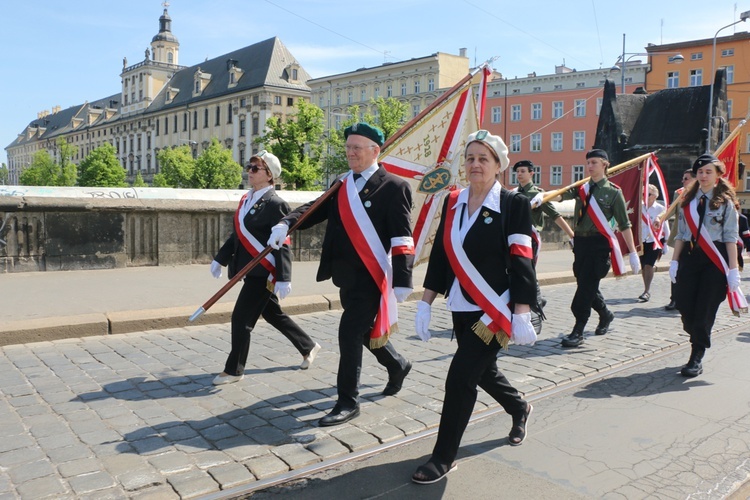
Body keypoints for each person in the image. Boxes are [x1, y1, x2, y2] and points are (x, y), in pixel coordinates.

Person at [267, 122, 414, 427]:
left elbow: (402, 238)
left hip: (372, 277)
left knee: (348, 333)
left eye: (356, 148)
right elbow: (315, 208)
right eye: (347, 147)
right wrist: (286, 223)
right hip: (345, 275)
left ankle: (348, 401)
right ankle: (397, 364)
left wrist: (403, 279)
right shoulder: (343, 183)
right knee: (361, 333)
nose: (350, 153)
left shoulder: (394, 186)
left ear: (375, 151)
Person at [411, 130, 537, 485]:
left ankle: (442, 458)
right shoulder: (452, 201)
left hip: (496, 310)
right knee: (482, 372)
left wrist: (523, 310)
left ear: (499, 166)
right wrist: (426, 302)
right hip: (462, 306)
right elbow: (441, 256)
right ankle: (519, 407)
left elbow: (522, 258)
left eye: (484, 158)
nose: (475, 164)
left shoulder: (513, 204)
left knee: (461, 378)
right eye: (470, 158)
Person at [210, 151, 321, 385]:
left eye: (255, 168)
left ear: (270, 175)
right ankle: (307, 345)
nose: (249, 171)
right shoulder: (246, 199)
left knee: (241, 318)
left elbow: (283, 242)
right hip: (249, 268)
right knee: (272, 313)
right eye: (249, 167)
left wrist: (283, 276)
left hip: (264, 271)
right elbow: (238, 235)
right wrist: (221, 258)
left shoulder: (275, 203)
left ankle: (233, 370)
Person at [559, 149, 640, 348]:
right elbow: (558, 197)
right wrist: (539, 198)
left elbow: (624, 224)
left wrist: (633, 253)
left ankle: (578, 331)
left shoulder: (613, 192)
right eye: (588, 163)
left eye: (594, 162)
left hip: (599, 245)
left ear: (605, 164)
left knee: (585, 288)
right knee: (585, 283)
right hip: (581, 244)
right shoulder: (581, 188)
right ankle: (605, 314)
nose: (589, 166)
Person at [670, 154, 741, 377]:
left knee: (704, 309)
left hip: (715, 260)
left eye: (708, 171)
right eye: (700, 172)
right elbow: (682, 234)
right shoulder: (687, 201)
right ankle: (697, 336)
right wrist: (674, 261)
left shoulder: (726, 203)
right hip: (690, 258)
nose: (703, 175)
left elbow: (730, 237)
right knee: (683, 304)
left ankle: (696, 355)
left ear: (719, 175)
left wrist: (733, 270)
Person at [665, 169, 696, 310]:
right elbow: (669, 210)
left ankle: (690, 299)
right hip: (681, 238)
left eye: (686, 178)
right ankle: (674, 299)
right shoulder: (679, 194)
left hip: (698, 240)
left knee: (692, 270)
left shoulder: (702, 195)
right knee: (676, 268)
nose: (683, 181)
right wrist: (660, 219)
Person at [638, 184, 670, 302]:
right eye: (643, 194)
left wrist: (666, 243)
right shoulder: (639, 207)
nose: (645, 196)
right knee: (643, 266)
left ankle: (647, 291)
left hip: (655, 240)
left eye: (648, 194)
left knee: (649, 264)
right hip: (642, 240)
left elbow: (665, 226)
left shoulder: (660, 208)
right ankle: (645, 287)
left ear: (655, 196)